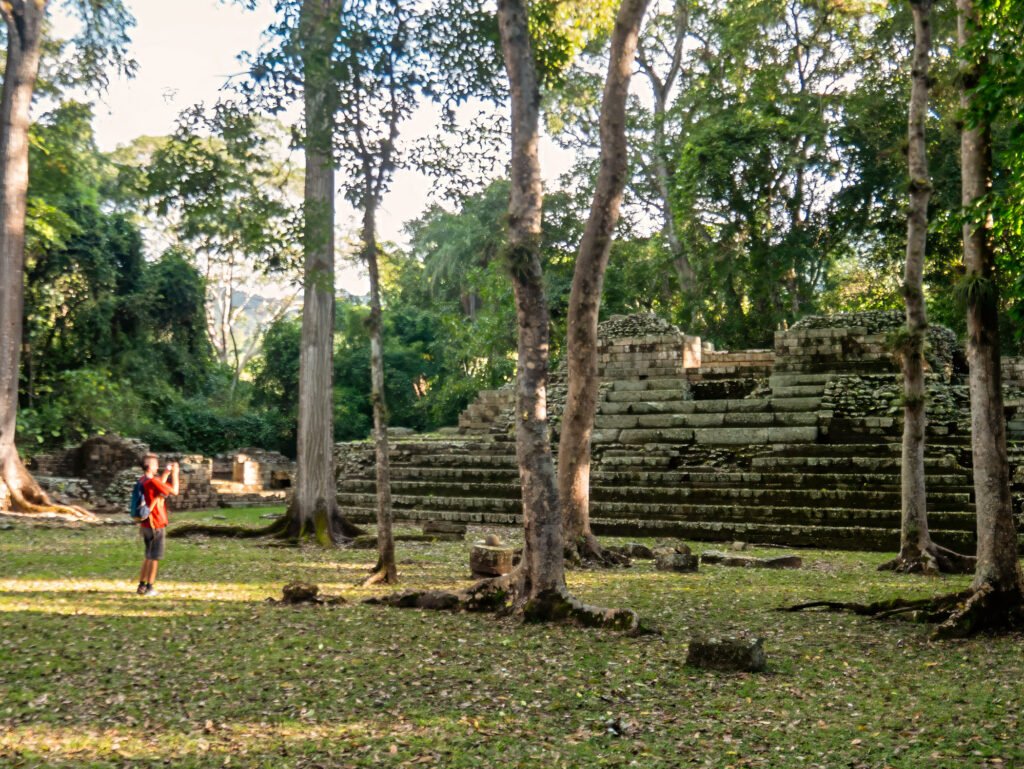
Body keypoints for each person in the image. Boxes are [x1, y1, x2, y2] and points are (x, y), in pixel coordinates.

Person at [136, 454, 179, 596]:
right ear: (149, 466)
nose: (157, 467)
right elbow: (174, 491)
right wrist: (175, 474)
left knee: (148, 555)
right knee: (154, 556)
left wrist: (166, 473)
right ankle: (150, 587)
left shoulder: (142, 480)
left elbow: (158, 487)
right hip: (156, 523)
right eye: (155, 464)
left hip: (145, 524)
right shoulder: (153, 481)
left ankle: (141, 585)